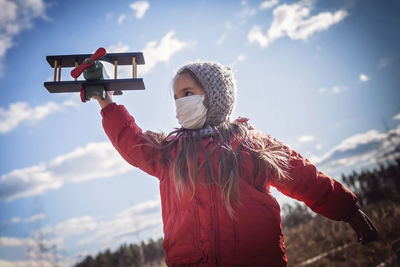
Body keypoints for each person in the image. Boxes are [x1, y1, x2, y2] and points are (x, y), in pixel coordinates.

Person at [93, 61, 378, 266]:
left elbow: (305, 177)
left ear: (215, 97)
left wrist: (349, 211)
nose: (180, 103)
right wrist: (105, 102)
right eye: (177, 97)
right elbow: (132, 141)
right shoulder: (170, 153)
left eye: (188, 93)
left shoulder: (252, 144)